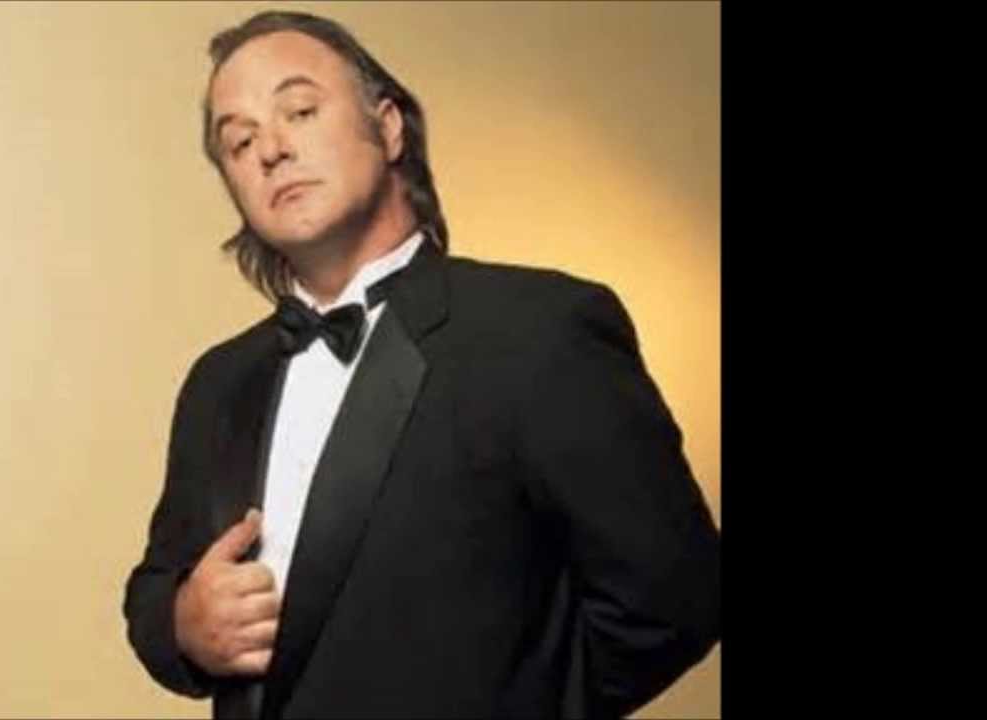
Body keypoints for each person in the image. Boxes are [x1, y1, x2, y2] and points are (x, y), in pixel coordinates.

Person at [123, 10, 720, 719]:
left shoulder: (540, 331)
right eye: (239, 141)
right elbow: (154, 589)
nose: (271, 150)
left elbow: (675, 598)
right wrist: (184, 625)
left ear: (389, 128)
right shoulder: (219, 381)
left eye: (301, 111)